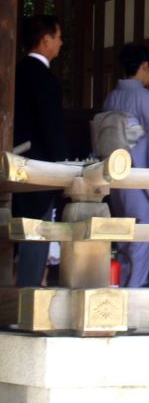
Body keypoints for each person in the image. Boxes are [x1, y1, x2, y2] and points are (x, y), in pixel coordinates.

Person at [103, 44, 149, 287]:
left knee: (122, 235)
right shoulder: (145, 98)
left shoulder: (112, 97)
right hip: (138, 175)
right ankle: (134, 295)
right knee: (140, 238)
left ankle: (122, 285)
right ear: (144, 67)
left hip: (115, 178)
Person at [13, 15, 69, 286]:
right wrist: (62, 165)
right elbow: (51, 126)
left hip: (15, 157)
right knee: (36, 230)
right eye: (58, 37)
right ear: (45, 40)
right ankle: (29, 295)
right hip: (39, 164)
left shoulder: (16, 71)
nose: (60, 42)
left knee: (19, 231)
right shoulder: (43, 77)